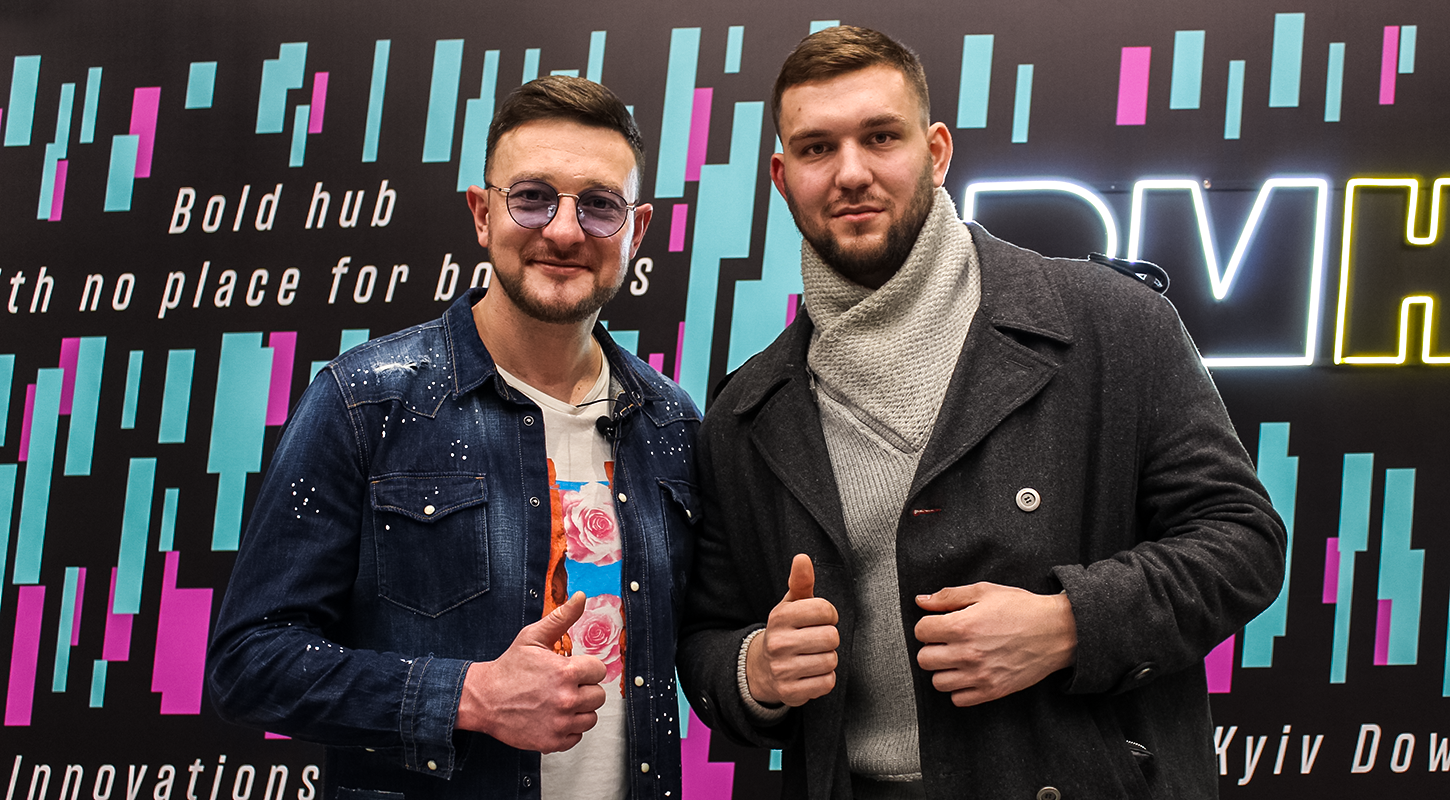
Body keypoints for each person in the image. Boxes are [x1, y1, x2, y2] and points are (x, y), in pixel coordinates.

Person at [676, 26, 1286, 800]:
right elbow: (707, 637)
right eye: (817, 148)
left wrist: (1070, 624)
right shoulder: (746, 409)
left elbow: (1243, 543)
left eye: (880, 137)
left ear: (936, 152)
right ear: (781, 175)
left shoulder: (1112, 323)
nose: (851, 173)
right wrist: (756, 669)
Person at [208, 76, 699, 800]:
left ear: (638, 231)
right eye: (532, 197)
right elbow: (249, 664)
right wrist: (468, 695)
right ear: (482, 213)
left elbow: (702, 649)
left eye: (600, 205)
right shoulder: (364, 400)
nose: (565, 231)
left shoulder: (672, 424)